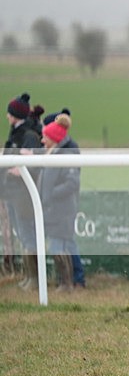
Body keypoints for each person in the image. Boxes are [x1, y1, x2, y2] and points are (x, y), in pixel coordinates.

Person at [41, 109, 85, 287]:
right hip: (57, 208)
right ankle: (73, 280)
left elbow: (71, 183)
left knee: (58, 246)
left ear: (53, 138)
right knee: (66, 243)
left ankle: (68, 282)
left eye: (45, 137)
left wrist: (50, 194)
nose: (42, 140)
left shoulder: (66, 153)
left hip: (62, 209)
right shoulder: (54, 153)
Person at [2, 93, 42, 289]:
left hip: (23, 194)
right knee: (22, 235)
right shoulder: (16, 133)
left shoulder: (28, 136)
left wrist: (20, 171)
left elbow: (35, 165)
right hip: (12, 193)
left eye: (9, 113)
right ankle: (29, 277)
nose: (7, 116)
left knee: (27, 236)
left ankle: (34, 280)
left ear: (16, 115)